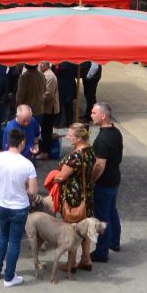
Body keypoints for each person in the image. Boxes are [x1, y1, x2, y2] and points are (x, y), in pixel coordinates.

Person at [0, 126, 38, 287]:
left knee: (3, 236)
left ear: (8, 142)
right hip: (20, 207)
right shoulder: (27, 164)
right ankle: (9, 277)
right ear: (22, 143)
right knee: (14, 241)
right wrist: (25, 191)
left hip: (3, 204)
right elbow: (33, 192)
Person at [55, 123, 97, 268]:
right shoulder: (90, 151)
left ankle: (71, 263)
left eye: (70, 135)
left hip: (73, 198)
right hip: (87, 196)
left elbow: (61, 177)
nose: (68, 137)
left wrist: (54, 177)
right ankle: (86, 259)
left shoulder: (74, 157)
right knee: (85, 228)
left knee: (72, 230)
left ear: (79, 138)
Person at [90, 102, 122, 261]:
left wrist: (92, 180)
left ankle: (102, 252)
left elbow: (99, 165)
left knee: (103, 217)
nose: (91, 115)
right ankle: (114, 242)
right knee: (111, 211)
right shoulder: (116, 133)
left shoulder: (103, 139)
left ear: (103, 116)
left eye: (94, 113)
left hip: (103, 183)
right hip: (114, 179)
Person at [38, 62, 59, 158]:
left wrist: (37, 99)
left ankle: (45, 152)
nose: (39, 65)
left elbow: (49, 94)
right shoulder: (43, 74)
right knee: (44, 130)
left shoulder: (50, 76)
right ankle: (43, 150)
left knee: (46, 130)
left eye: (42, 63)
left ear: (47, 65)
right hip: (45, 108)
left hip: (50, 108)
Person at [55, 61, 78, 125]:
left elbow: (55, 73)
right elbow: (77, 74)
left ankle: (57, 122)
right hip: (70, 86)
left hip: (60, 86)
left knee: (59, 105)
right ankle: (69, 122)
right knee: (69, 106)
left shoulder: (58, 63)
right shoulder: (74, 63)